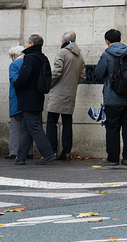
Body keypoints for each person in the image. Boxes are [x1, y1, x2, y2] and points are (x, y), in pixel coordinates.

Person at [95, 29, 127, 166]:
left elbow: (99, 73)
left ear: (107, 41)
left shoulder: (106, 55)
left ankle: (113, 158)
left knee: (112, 129)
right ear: (120, 39)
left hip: (112, 99)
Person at [13, 34, 57, 165]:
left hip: (28, 97)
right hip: (37, 96)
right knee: (27, 127)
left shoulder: (30, 58)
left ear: (31, 44)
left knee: (35, 126)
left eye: (27, 43)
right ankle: (20, 157)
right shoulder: (43, 58)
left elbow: (23, 77)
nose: (26, 46)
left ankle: (48, 153)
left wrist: (16, 84)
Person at [46, 31, 85, 161]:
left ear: (64, 40)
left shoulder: (62, 53)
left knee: (52, 122)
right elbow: (83, 76)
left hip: (57, 93)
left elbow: (56, 72)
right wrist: (72, 85)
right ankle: (66, 152)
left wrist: (48, 84)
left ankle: (52, 151)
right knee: (67, 123)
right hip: (70, 94)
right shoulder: (80, 56)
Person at [5, 45, 27, 160]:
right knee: (28, 126)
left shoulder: (14, 64)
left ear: (13, 55)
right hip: (29, 100)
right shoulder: (30, 62)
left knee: (15, 126)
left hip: (16, 98)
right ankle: (28, 152)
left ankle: (14, 152)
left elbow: (15, 81)